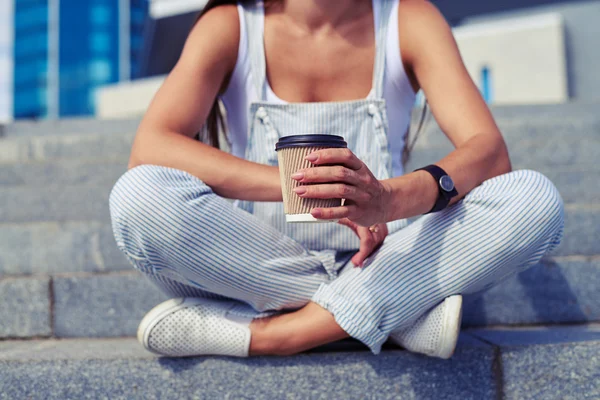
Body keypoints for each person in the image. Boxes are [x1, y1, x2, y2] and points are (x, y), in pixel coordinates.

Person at [109, 0, 564, 359]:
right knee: (137, 198)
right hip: (258, 263)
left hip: (384, 258)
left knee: (532, 199)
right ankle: (394, 312)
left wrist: (388, 200)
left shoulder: (409, 19)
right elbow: (151, 147)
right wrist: (299, 186)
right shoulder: (231, 24)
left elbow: (488, 151)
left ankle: (281, 333)